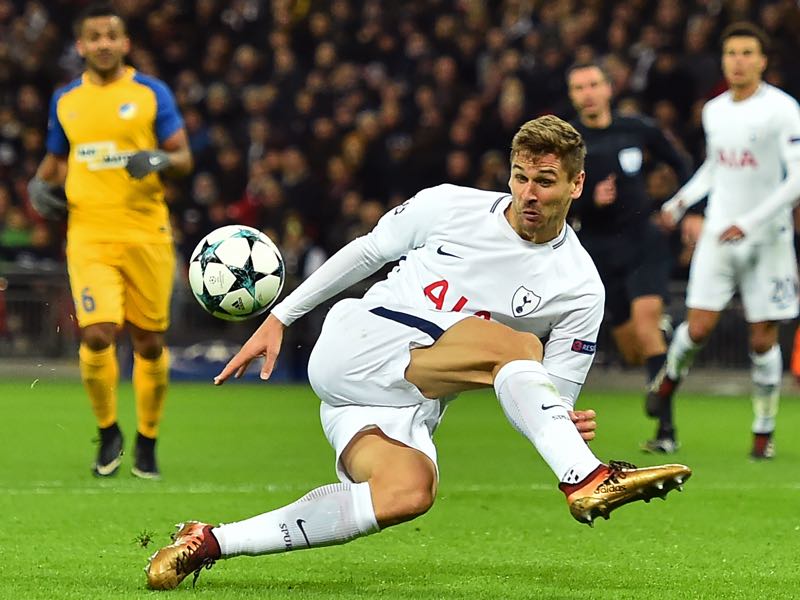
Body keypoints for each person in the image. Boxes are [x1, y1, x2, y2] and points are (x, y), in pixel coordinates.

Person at [145, 115, 690, 590]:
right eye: (520, 177)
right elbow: (366, 253)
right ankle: (585, 479)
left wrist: (564, 423)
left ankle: (211, 541)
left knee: (406, 493)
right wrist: (281, 316)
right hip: (359, 343)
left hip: (391, 403)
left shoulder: (579, 289)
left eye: (545, 182)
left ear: (577, 184)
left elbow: (553, 393)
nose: (529, 194)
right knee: (519, 343)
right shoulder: (449, 205)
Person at [27, 3, 193, 478]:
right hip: (89, 235)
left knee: (149, 342)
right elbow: (55, 163)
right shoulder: (66, 100)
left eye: (111, 35)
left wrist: (157, 160)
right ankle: (108, 431)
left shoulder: (150, 93)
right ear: (81, 46)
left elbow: (182, 157)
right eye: (94, 36)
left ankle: (147, 438)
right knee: (98, 332)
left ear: (125, 43)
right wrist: (37, 189)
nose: (103, 43)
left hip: (147, 233)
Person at [649, 22, 800, 460]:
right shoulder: (715, 110)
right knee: (696, 328)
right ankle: (669, 382)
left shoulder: (782, 110)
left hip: (767, 237)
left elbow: (797, 179)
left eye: (747, 52)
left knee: (762, 339)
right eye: (731, 52)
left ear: (763, 60)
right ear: (723, 59)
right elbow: (716, 167)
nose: (738, 60)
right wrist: (680, 202)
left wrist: (751, 222)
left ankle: (762, 433)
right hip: (719, 233)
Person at [567, 62, 692, 454]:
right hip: (598, 249)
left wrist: (682, 208)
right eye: (578, 87)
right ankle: (667, 338)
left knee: (644, 329)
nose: (587, 92)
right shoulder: (569, 142)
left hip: (643, 241)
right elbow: (553, 193)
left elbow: (683, 163)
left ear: (609, 88)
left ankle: (666, 433)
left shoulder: (638, 129)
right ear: (572, 95)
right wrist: (588, 199)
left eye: (593, 84)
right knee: (633, 347)